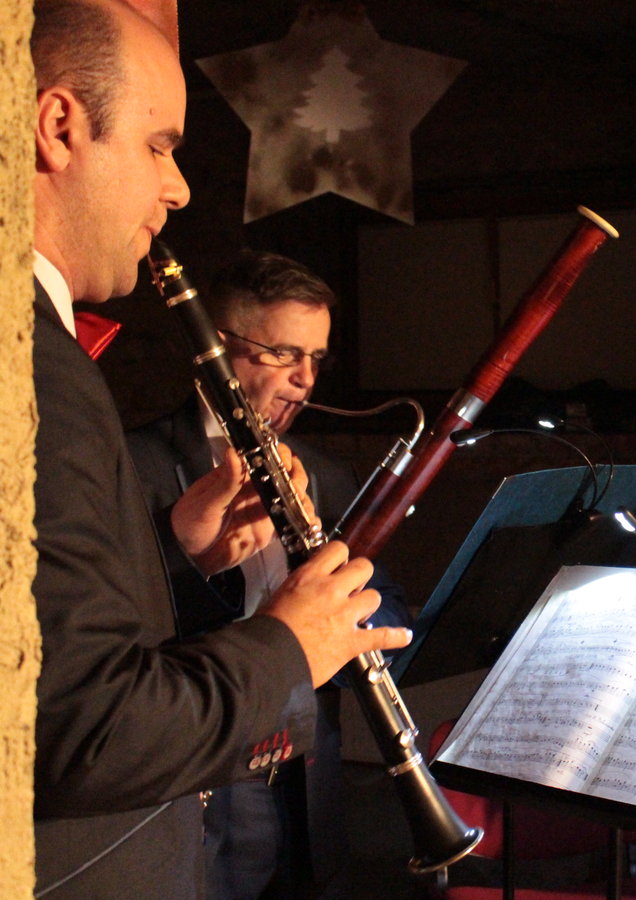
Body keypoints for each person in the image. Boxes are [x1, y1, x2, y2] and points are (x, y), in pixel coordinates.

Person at [29, 1, 410, 896]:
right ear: (59, 125)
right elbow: (85, 728)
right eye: (159, 146)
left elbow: (60, 638)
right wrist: (289, 642)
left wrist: (180, 551)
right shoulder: (40, 368)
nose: (179, 188)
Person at [125, 250, 412, 899]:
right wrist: (199, 561)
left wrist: (355, 627)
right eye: (285, 353)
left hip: (306, 773)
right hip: (202, 774)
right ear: (220, 348)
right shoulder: (133, 463)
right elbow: (124, 629)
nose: (306, 379)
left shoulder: (325, 473)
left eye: (317, 358)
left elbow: (388, 602)